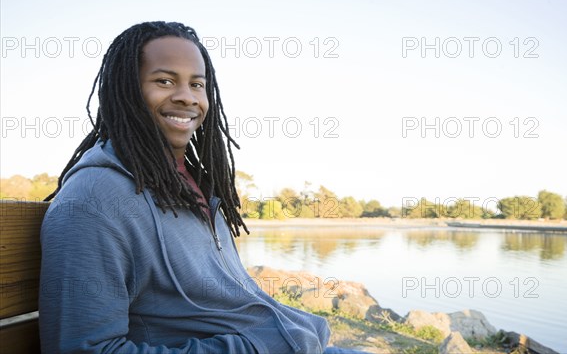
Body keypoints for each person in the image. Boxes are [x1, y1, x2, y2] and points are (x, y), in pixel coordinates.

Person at [39, 21, 366, 354]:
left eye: (197, 84)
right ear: (125, 90)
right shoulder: (94, 199)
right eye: (164, 81)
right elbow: (84, 349)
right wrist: (255, 348)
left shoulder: (194, 185)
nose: (186, 97)